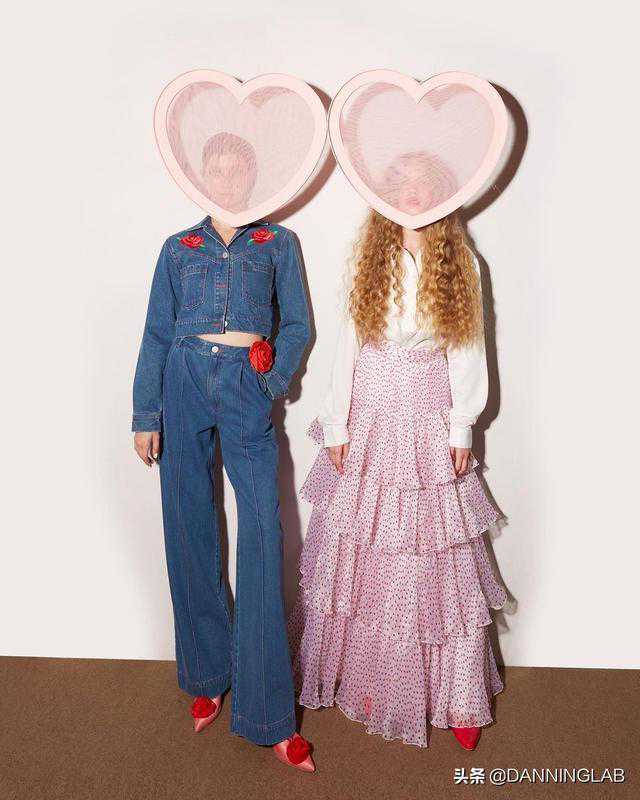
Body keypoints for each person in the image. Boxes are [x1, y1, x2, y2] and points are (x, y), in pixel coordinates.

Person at [287, 151, 507, 751]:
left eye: (422, 184)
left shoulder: (462, 262)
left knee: (435, 556)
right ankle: (370, 682)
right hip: (371, 417)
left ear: (442, 195)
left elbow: (468, 348)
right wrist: (337, 422)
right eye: (400, 183)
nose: (411, 193)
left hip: (430, 417)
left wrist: (462, 427)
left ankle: (457, 694)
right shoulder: (370, 255)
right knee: (367, 554)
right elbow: (348, 345)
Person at [131, 131, 316, 771]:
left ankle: (269, 714)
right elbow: (156, 333)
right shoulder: (176, 248)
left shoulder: (278, 244)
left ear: (252, 176)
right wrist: (146, 414)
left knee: (262, 529)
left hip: (244, 386)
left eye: (238, 168)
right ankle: (208, 676)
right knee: (189, 526)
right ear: (200, 176)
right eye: (216, 168)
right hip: (181, 382)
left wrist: (270, 378)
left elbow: (298, 324)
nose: (227, 178)